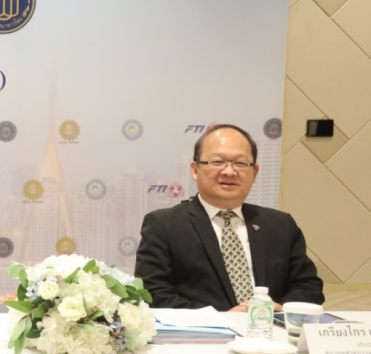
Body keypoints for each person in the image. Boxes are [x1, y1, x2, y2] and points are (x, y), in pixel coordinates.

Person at [134, 123, 323, 311]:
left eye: (240, 163)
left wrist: (279, 310)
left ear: (254, 172)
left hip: (272, 327)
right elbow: (153, 294)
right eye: (217, 162)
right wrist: (221, 318)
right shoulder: (164, 225)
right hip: (203, 330)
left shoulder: (281, 225)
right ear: (195, 169)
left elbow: (308, 286)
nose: (229, 171)